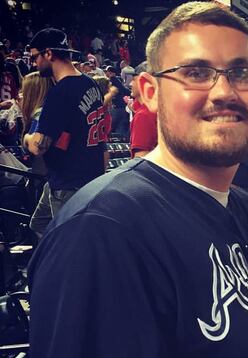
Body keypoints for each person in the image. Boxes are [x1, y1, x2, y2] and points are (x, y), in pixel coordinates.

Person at [28, 3, 248, 358]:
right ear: (149, 91)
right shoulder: (104, 231)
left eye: (242, 73)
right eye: (196, 72)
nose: (224, 91)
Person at [26, 28, 108, 237]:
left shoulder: (60, 92)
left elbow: (38, 146)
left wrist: (26, 138)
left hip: (69, 184)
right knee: (39, 225)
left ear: (48, 54)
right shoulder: (90, 83)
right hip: (87, 177)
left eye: (35, 56)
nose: (34, 63)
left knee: (69, 244)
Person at [128, 61, 157, 158]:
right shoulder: (161, 107)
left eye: (134, 80)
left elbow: (141, 158)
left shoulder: (144, 115)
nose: (130, 84)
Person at [105, 65, 131, 140]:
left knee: (113, 126)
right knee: (120, 127)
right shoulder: (116, 80)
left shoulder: (113, 80)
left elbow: (124, 90)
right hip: (120, 106)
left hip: (118, 107)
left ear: (111, 73)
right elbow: (126, 90)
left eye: (107, 72)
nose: (106, 73)